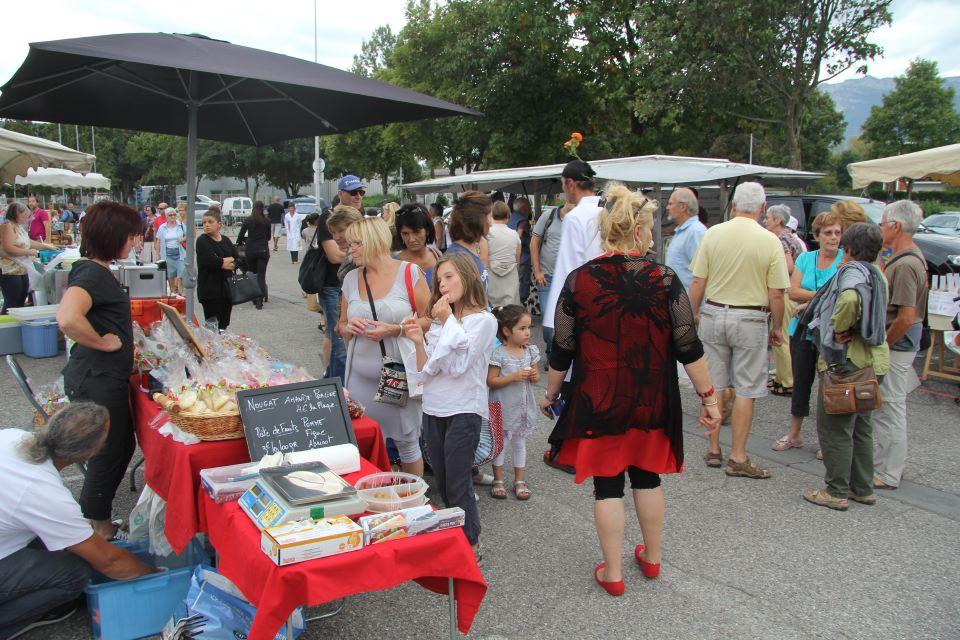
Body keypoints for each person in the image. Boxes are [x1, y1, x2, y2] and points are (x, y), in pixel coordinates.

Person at [537, 184, 721, 595]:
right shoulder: (665, 280)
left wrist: (551, 395)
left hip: (599, 398)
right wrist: (709, 399)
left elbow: (561, 350)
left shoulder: (580, 281)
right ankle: (652, 559)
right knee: (648, 476)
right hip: (651, 399)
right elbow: (688, 346)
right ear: (637, 231)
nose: (655, 233)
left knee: (607, 485)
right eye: (650, 226)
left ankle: (614, 572)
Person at [0, 403, 157, 639]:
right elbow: (110, 562)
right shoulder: (45, 493)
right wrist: (154, 573)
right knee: (75, 572)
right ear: (89, 454)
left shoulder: (13, 437)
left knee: (68, 544)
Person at [688, 181, 789, 479]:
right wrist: (778, 327)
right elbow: (777, 294)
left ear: (733, 206)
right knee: (747, 388)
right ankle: (738, 455)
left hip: (715, 312)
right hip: (751, 318)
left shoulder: (713, 234)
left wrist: (693, 313)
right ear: (762, 208)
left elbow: (697, 282)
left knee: (714, 382)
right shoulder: (770, 240)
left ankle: (715, 448)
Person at [401, 253, 498, 564]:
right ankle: (454, 538)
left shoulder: (484, 320)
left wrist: (445, 320)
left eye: (449, 277)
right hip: (433, 408)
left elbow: (457, 365)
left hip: (464, 410)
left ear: (467, 277)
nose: (442, 285)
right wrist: (418, 341)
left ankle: (470, 545)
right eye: (438, 280)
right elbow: (425, 368)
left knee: (458, 482)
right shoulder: (445, 322)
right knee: (441, 481)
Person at [57, 201, 141, 540]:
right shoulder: (91, 272)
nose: (135, 242)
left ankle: (96, 520)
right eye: (132, 236)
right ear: (113, 236)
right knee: (110, 451)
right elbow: (67, 317)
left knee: (119, 447)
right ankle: (96, 526)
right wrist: (104, 343)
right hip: (98, 379)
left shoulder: (97, 269)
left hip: (104, 377)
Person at [800, 222, 889, 510]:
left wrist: (840, 326)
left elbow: (850, 298)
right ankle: (862, 487)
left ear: (847, 248)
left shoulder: (852, 272)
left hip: (849, 361)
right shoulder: (878, 274)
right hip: (875, 360)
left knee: (835, 426)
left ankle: (836, 490)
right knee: (862, 425)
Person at [339, 217, 432, 476]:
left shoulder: (409, 272)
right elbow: (340, 325)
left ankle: (413, 502)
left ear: (373, 242)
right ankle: (370, 497)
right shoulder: (350, 278)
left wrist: (396, 329)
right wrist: (349, 327)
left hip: (397, 375)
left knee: (407, 443)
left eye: (356, 244)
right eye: (349, 244)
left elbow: (428, 319)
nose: (350, 250)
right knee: (358, 438)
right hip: (359, 377)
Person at [773, 211, 844, 453]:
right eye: (828, 233)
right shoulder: (805, 259)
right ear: (817, 235)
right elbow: (792, 292)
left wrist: (810, 299)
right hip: (802, 329)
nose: (833, 238)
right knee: (801, 380)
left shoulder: (846, 261)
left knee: (829, 385)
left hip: (831, 331)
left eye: (837, 233)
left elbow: (844, 295)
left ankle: (827, 439)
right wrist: (824, 296)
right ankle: (795, 433)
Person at [874, 200, 927, 490]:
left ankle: (889, 471)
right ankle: (887, 465)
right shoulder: (905, 257)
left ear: (895, 226)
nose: (881, 229)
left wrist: (883, 343)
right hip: (900, 344)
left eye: (883, 223)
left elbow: (905, 317)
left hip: (898, 346)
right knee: (888, 405)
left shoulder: (906, 263)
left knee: (890, 406)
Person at [542, 159, 603, 337]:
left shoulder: (575, 217)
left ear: (570, 184)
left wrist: (557, 317)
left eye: (562, 184)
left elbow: (568, 268)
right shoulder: (607, 211)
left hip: (583, 299)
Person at [487, 304, 540, 500]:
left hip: (522, 408)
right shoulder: (498, 353)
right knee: (500, 443)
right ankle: (498, 480)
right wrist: (513, 376)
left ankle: (519, 480)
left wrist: (534, 375)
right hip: (502, 407)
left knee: (519, 443)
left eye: (529, 328)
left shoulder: (529, 351)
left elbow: (535, 378)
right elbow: (491, 381)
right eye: (522, 328)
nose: (527, 333)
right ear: (507, 331)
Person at [764, 203, 807, 396]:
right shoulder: (791, 237)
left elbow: (788, 266)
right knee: (784, 338)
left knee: (781, 338)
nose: (765, 221)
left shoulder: (780, 239)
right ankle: (782, 378)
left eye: (767, 218)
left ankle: (788, 381)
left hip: (786, 292)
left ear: (777, 220)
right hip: (793, 292)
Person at [530, 201, 571, 363]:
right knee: (548, 323)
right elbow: (534, 243)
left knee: (566, 320)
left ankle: (557, 356)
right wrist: (538, 271)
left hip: (569, 280)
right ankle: (551, 349)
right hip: (548, 278)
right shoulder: (549, 216)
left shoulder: (579, 219)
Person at [1, 203, 56, 313]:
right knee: (12, 301)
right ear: (17, 213)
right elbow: (8, 248)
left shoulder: (18, 227)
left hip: (22, 269)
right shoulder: (7, 226)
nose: (27, 217)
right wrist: (28, 251)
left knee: (21, 298)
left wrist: (46, 246)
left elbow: (28, 242)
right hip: (10, 271)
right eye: (24, 214)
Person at [196, 209, 239, 332]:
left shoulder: (225, 240)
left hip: (226, 289)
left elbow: (237, 259)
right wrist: (224, 262)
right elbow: (211, 261)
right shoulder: (202, 240)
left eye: (210, 222)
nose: (206, 225)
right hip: (210, 290)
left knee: (224, 324)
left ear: (219, 224)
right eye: (204, 222)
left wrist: (228, 262)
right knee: (212, 326)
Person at [445, 191, 491, 291]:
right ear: (478, 220)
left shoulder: (469, 249)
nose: (491, 223)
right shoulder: (457, 258)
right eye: (489, 216)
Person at [664, 188, 707, 292]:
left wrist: (693, 306)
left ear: (683, 206)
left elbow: (701, 276)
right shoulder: (682, 231)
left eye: (671, 204)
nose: (667, 207)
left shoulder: (696, 232)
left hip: (688, 304)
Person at [394, 203, 440, 286]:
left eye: (416, 232)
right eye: (405, 233)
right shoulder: (394, 264)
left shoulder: (437, 255)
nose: (411, 239)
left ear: (427, 231)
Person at [237, 200, 271, 309]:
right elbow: (269, 237)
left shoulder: (248, 220)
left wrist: (241, 242)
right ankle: (260, 300)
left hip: (251, 250)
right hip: (263, 250)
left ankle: (253, 297)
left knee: (251, 274)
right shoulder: (267, 221)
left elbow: (241, 235)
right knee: (261, 275)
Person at [487, 201, 521, 307]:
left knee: (493, 308)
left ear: (491, 214)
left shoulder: (487, 234)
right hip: (511, 273)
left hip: (491, 272)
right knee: (511, 309)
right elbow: (517, 257)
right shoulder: (514, 234)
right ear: (508, 216)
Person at [154, 206, 187, 296]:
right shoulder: (162, 227)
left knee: (181, 273)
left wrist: (183, 239)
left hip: (180, 253)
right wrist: (157, 254)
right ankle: (173, 291)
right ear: (166, 216)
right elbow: (158, 241)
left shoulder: (181, 225)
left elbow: (188, 235)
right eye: (170, 215)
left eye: (174, 214)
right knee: (170, 274)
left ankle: (181, 291)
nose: (172, 216)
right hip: (167, 253)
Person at [508, 197, 533, 305]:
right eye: (528, 206)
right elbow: (519, 236)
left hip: (510, 257)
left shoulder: (510, 218)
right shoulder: (523, 221)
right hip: (522, 258)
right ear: (524, 208)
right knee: (523, 285)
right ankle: (519, 308)